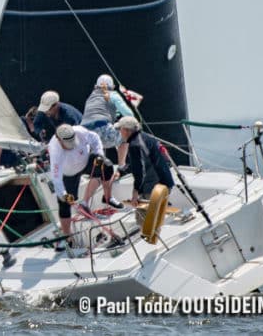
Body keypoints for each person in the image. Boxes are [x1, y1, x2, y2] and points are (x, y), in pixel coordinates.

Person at [48, 124, 114, 247]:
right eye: (68, 143)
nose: (72, 145)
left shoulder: (80, 131)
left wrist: (99, 154)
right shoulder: (55, 151)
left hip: (86, 162)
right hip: (69, 174)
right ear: (59, 139)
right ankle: (67, 237)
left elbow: (95, 138)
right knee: (64, 204)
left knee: (108, 166)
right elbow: (56, 179)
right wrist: (64, 195)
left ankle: (106, 198)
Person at [80, 74, 128, 209]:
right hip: (101, 130)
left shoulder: (91, 97)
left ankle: (93, 200)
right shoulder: (111, 95)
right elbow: (125, 113)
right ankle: (121, 166)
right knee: (125, 138)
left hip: (87, 136)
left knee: (100, 170)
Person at [115, 116, 175, 205]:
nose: (119, 132)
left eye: (120, 129)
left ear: (127, 130)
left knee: (143, 216)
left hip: (152, 187)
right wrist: (122, 171)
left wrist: (135, 193)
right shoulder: (146, 137)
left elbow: (139, 171)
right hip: (165, 181)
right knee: (157, 212)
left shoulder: (135, 145)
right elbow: (137, 163)